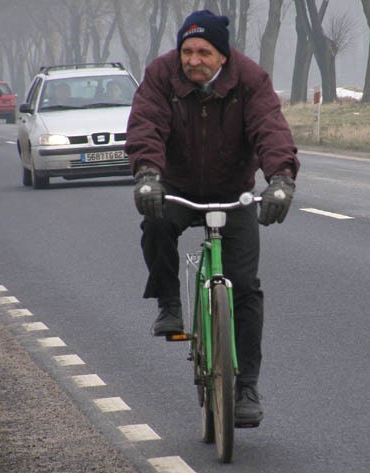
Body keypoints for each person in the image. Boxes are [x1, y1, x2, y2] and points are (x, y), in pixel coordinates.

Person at [125, 10, 300, 428]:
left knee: (245, 287)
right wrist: (148, 175)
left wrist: (280, 180)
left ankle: (247, 388)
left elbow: (270, 129)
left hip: (233, 192)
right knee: (156, 223)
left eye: (204, 51)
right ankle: (169, 304)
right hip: (178, 187)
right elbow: (146, 125)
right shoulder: (161, 75)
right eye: (187, 50)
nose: (193, 59)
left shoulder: (250, 79)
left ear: (222, 55)